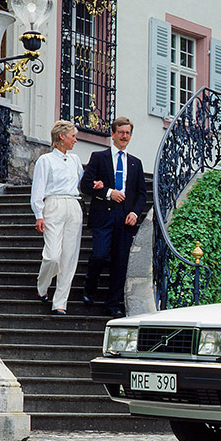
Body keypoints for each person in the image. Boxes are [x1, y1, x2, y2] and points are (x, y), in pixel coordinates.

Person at [80, 116, 148, 318]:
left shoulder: (136, 163)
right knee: (100, 255)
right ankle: (89, 287)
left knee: (120, 262)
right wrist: (109, 192)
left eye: (127, 133)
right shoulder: (98, 157)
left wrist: (135, 213)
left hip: (125, 218)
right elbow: (85, 185)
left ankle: (113, 303)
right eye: (121, 132)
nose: (124, 136)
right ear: (113, 134)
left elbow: (142, 194)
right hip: (103, 216)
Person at [31, 121, 85, 315]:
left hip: (73, 205)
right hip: (53, 205)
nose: (75, 140)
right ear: (62, 136)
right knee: (53, 255)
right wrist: (39, 214)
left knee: (69, 257)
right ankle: (42, 287)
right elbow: (37, 189)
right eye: (73, 136)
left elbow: (82, 181)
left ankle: (60, 302)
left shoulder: (75, 160)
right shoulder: (45, 160)